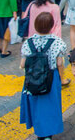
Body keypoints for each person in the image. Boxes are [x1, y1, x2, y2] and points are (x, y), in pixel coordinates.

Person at [19, 12, 67, 140]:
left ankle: (39, 131)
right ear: (52, 26)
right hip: (51, 78)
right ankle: (47, 134)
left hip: (32, 79)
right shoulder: (57, 42)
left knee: (36, 106)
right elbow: (59, 63)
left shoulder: (28, 42)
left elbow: (23, 64)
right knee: (50, 106)